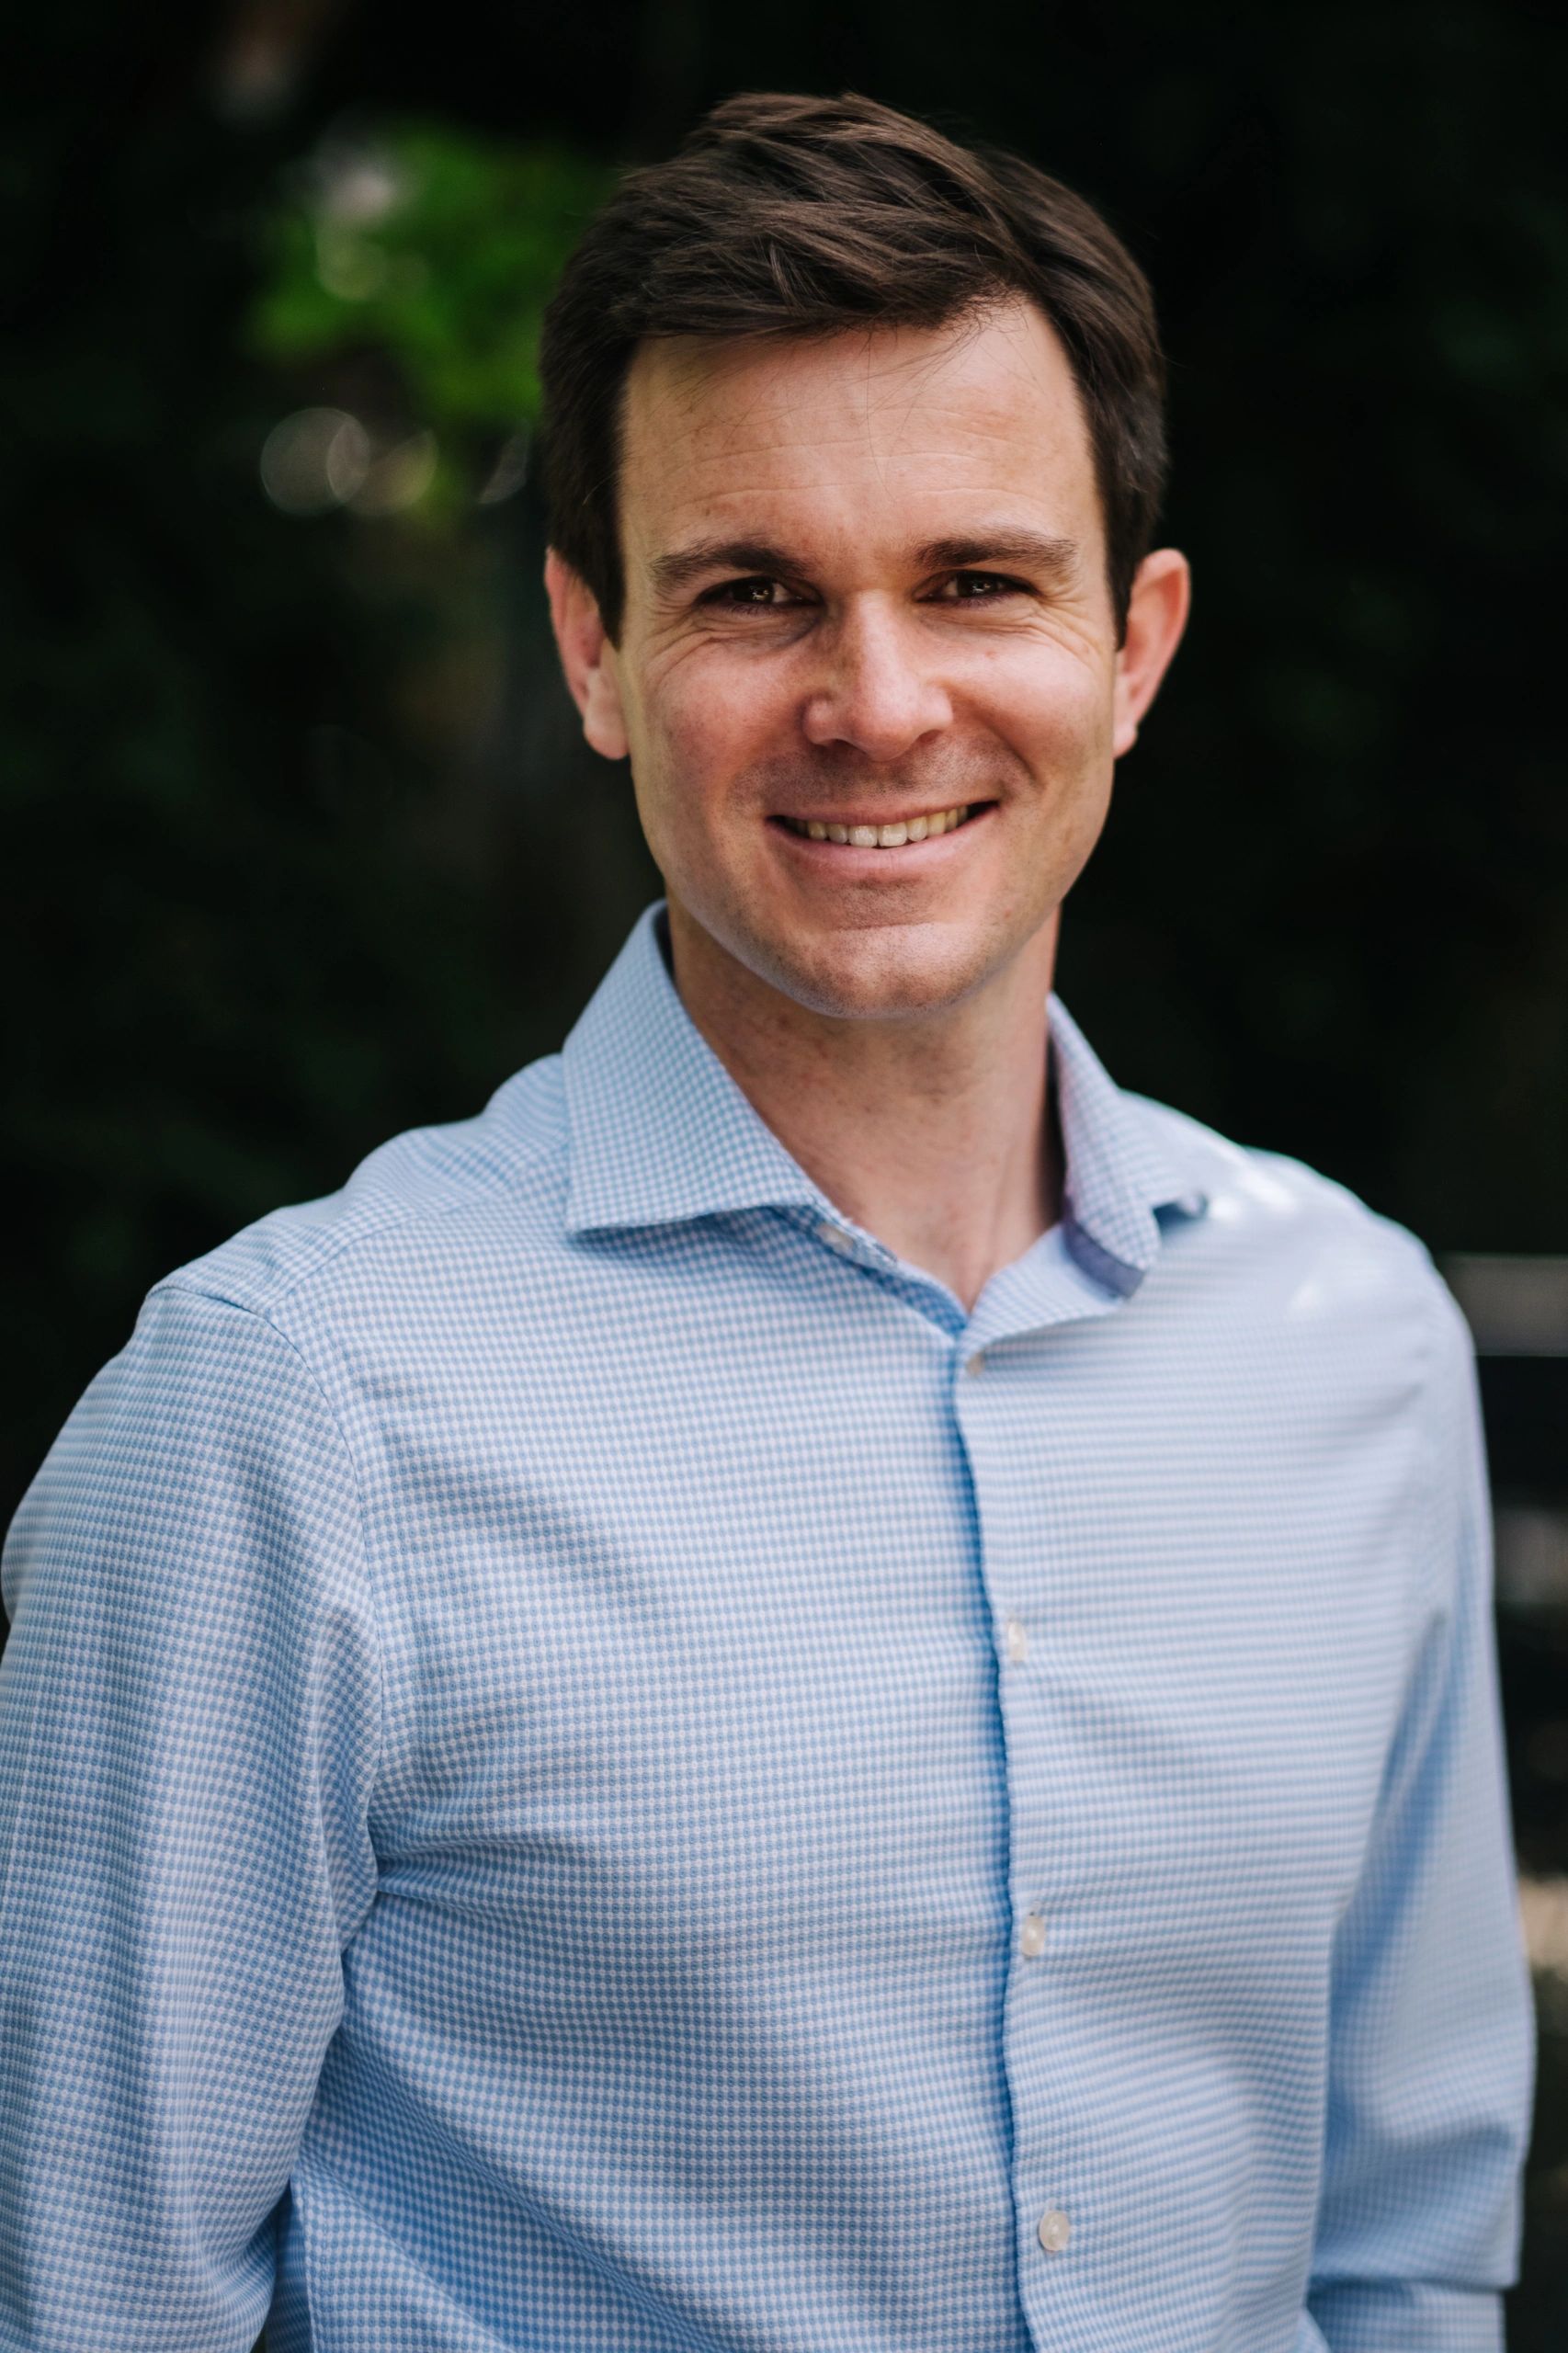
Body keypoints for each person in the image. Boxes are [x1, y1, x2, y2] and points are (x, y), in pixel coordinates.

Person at [0, 89, 1533, 2353]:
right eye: (753, 592)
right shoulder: (283, 1415)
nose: (877, 703)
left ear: (1135, 644)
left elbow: (1399, 2248)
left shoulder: (1353, 1335)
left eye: (976, 581)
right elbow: (88, 2296)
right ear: (592, 651)